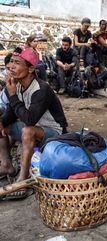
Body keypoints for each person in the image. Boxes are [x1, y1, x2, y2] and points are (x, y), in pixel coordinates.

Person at [0, 46, 67, 185]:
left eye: (17, 63)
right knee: (3, 124)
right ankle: (6, 165)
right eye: (11, 61)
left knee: (28, 130)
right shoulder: (16, 86)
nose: (11, 66)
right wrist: (2, 121)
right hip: (33, 128)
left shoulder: (41, 88)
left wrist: (12, 95)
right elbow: (11, 115)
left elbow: (30, 120)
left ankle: (23, 179)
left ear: (30, 69)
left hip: (54, 132)